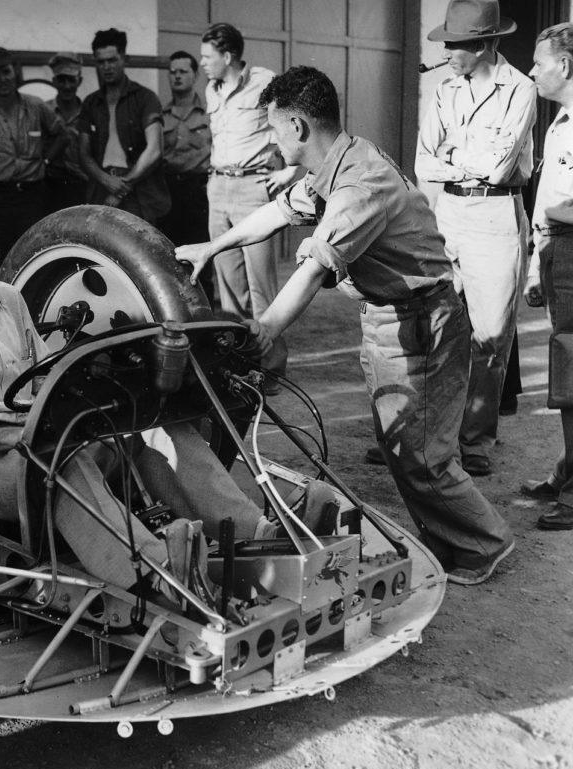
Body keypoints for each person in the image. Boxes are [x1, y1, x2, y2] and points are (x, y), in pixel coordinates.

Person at [176, 66, 514, 586]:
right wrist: (213, 246)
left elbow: (312, 269)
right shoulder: (333, 166)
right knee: (404, 449)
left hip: (421, 321)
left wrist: (266, 328)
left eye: (272, 129)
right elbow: (276, 214)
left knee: (421, 454)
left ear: (297, 127)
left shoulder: (359, 184)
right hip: (390, 316)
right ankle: (451, 545)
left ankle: (484, 545)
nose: (270, 141)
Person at [0, 190, 334, 595]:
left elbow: (41, 378)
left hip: (36, 436)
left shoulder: (10, 299)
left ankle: (261, 535)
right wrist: (23, 438)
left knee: (151, 428)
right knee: (57, 459)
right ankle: (160, 572)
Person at [413, 0, 535, 477]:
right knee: (433, 330)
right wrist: (466, 157)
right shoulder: (443, 91)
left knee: (488, 337)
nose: (449, 53)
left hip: (496, 214)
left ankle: (475, 439)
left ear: (486, 44)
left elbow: (499, 167)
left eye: (458, 45)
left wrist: (454, 153)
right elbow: (425, 163)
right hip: (451, 214)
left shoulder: (520, 89)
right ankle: (423, 435)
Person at [199, 23, 300, 380]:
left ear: (228, 56)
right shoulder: (212, 89)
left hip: (251, 189)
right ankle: (237, 365)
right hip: (219, 187)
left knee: (261, 287)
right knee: (227, 288)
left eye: (207, 57)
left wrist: (291, 171)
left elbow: (295, 121)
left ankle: (270, 368)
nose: (202, 64)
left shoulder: (263, 81)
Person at [520, 23, 573, 531]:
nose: (533, 70)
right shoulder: (561, 121)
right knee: (566, 370)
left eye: (540, 62)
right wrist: (541, 260)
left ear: (566, 66)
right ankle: (568, 472)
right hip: (560, 249)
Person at [0, 47, 66, 271]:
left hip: (34, 197)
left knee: (36, 257)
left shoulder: (36, 106)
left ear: (15, 72)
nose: (2, 79)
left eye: (6, 71)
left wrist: (46, 161)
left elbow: (62, 134)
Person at [78, 28, 170, 225]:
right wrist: (106, 180)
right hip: (101, 190)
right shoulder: (90, 103)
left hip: (139, 191)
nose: (107, 67)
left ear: (124, 58)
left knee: (137, 250)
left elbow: (154, 150)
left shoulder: (145, 98)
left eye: (112, 60)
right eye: (101, 62)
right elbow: (84, 155)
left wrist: (124, 185)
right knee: (100, 249)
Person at [157, 51, 212, 270]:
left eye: (183, 71)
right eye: (172, 72)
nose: (177, 76)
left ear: (195, 75)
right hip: (168, 190)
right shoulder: (161, 114)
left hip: (199, 191)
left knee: (202, 255)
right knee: (169, 255)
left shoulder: (209, 113)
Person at [44, 52, 88, 213]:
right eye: (62, 80)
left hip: (82, 188)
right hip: (50, 189)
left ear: (80, 81)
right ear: (54, 81)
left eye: (72, 79)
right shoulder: (44, 111)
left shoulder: (90, 113)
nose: (67, 86)